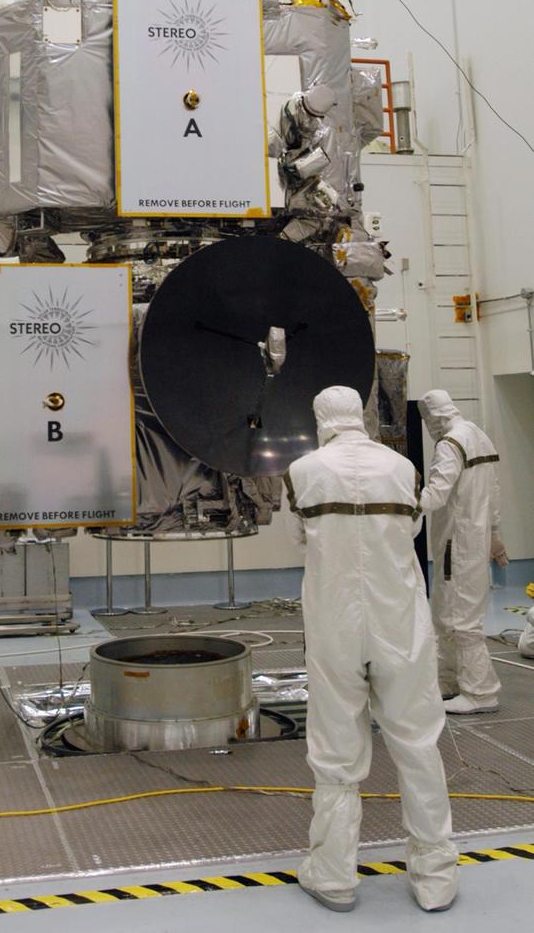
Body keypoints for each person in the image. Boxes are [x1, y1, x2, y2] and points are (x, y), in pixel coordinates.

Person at [283, 386, 457, 914]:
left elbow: (301, 538)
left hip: (335, 623)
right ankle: (435, 877)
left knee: (336, 751)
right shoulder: (402, 468)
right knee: (418, 742)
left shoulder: (302, 470)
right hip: (399, 621)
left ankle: (333, 874)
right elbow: (411, 528)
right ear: (359, 415)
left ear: (319, 419)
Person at [417, 390, 506, 715]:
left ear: (433, 417)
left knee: (460, 617)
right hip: (476, 537)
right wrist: (495, 534)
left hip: (457, 542)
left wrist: (401, 504)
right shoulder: (478, 435)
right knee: (446, 614)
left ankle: (481, 692)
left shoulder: (449, 444)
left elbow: (437, 495)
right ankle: (449, 680)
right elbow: (493, 492)